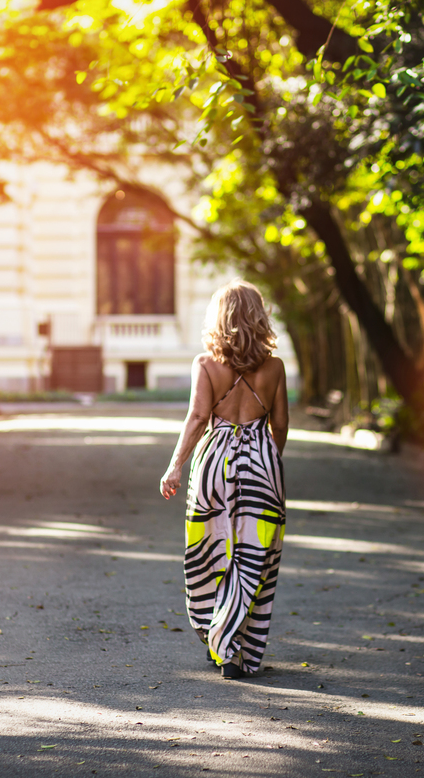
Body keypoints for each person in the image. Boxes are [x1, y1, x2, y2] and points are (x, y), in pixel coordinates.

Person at [160, 279, 289, 679]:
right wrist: (267, 462)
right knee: (253, 558)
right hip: (262, 463)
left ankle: (220, 638)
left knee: (210, 553)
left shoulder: (204, 364)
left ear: (220, 318)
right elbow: (280, 425)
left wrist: (175, 465)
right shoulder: (275, 367)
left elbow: (198, 418)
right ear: (258, 316)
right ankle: (237, 647)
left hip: (214, 463)